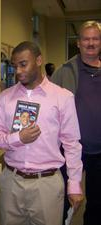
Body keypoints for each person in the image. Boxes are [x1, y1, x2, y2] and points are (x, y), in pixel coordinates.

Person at [0, 41, 83, 225]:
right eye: (15, 66)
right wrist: (18, 138)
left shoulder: (62, 97)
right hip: (11, 180)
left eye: (23, 64)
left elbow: (72, 143)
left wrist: (74, 184)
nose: (18, 71)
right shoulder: (5, 97)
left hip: (46, 183)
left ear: (39, 60)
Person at [52, 20, 101, 225]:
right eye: (86, 38)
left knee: (98, 204)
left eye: (95, 38)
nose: (91, 43)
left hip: (100, 153)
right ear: (78, 43)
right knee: (62, 200)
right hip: (70, 149)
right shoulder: (64, 71)